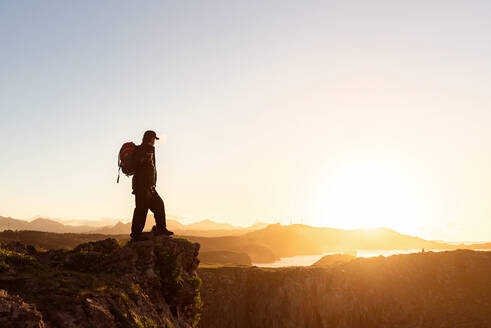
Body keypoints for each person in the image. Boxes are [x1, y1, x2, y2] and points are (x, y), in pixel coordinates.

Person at [130, 130, 173, 241]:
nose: (155, 141)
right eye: (154, 139)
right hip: (142, 187)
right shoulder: (141, 149)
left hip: (149, 187)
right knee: (141, 210)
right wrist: (143, 159)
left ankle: (161, 229)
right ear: (151, 139)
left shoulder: (148, 149)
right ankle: (135, 235)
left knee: (159, 205)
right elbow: (138, 165)